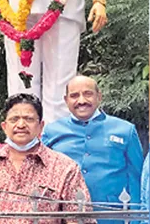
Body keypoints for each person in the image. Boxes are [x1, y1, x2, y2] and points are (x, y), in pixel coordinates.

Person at [0, 93, 94, 224]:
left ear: (41, 126)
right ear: (4, 127)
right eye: (14, 119)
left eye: (28, 119)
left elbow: (78, 219)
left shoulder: (65, 168)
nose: (21, 125)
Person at [42, 75, 144, 223]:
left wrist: (137, 220)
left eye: (88, 94)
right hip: (65, 216)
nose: (81, 101)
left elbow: (136, 179)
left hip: (110, 216)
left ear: (99, 96)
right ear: (66, 100)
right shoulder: (52, 131)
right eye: (74, 96)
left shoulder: (125, 130)